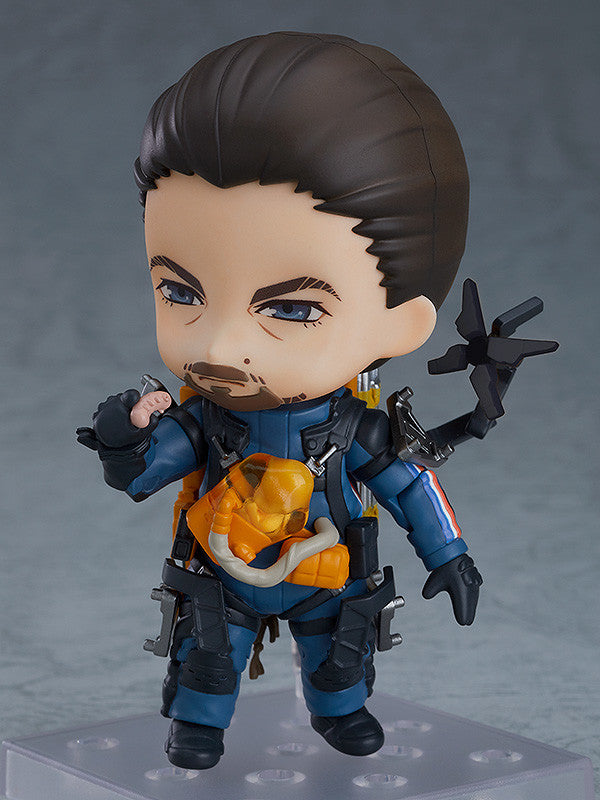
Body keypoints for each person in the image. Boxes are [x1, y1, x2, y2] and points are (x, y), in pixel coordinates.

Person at [78, 32, 482, 770]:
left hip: (328, 569)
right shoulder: (206, 419)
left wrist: (449, 553)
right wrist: (120, 437)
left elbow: (409, 485)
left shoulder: (355, 427)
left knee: (340, 656)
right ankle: (200, 723)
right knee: (208, 656)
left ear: (400, 325)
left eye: (291, 309)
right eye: (181, 293)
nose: (221, 343)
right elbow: (141, 474)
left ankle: (340, 710)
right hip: (222, 568)